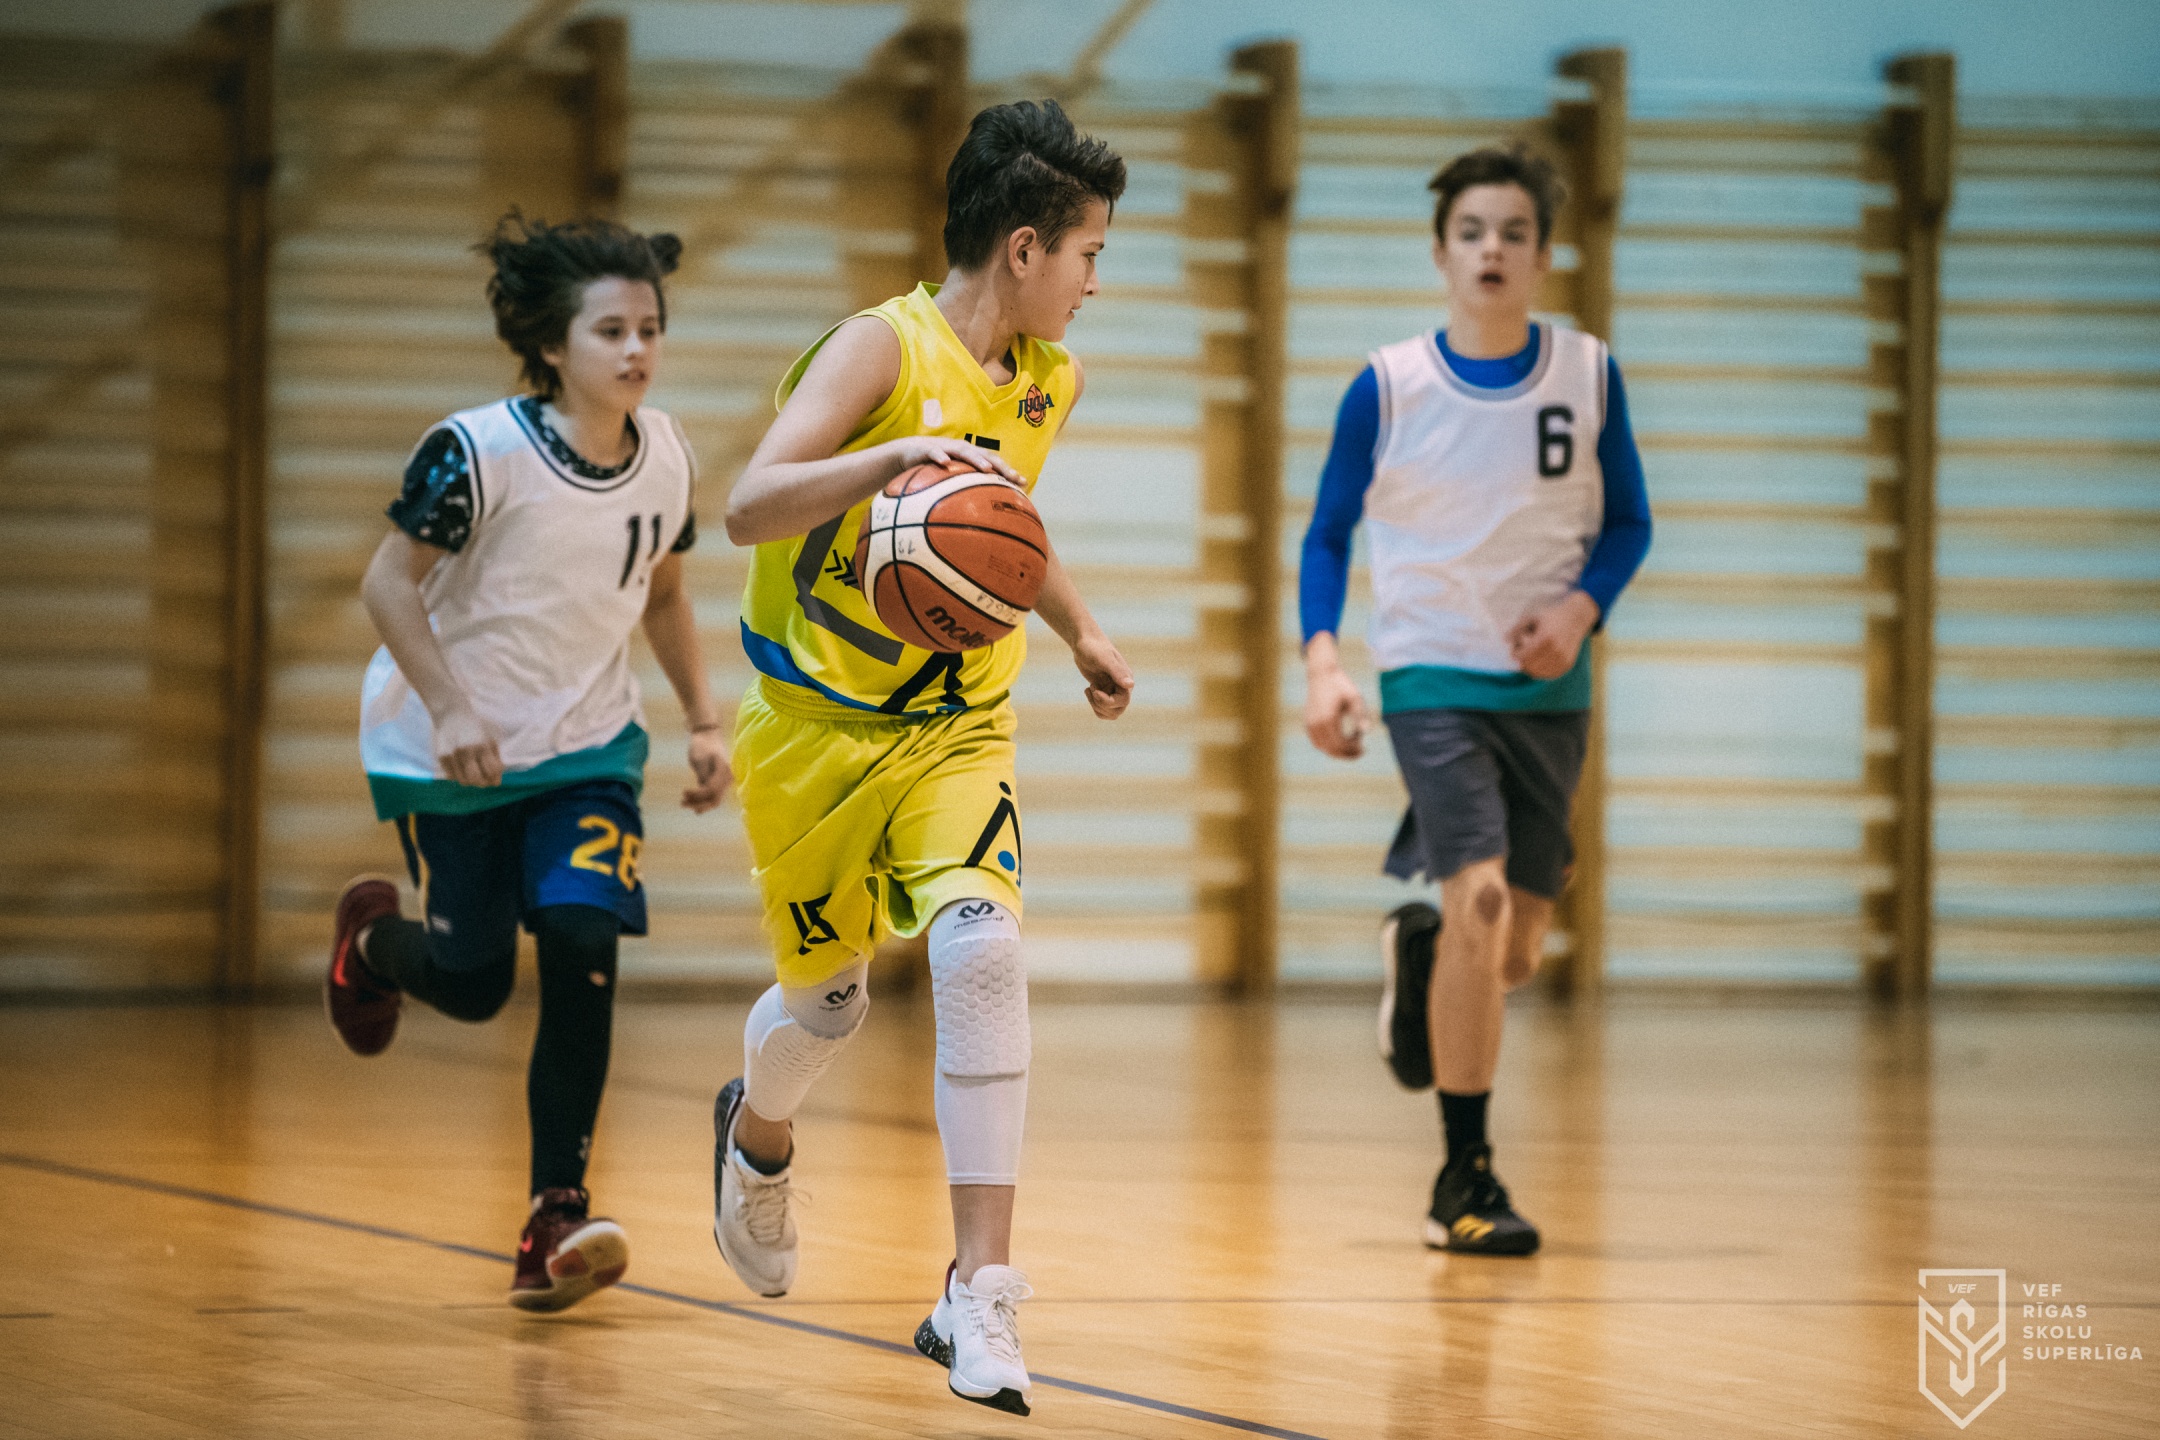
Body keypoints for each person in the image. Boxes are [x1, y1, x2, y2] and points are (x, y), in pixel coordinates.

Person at [708, 99, 1132, 1416]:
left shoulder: (1049, 380)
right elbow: (745, 507)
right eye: (1089, 253)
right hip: (815, 730)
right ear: (1024, 248)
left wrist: (1080, 629)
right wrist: (888, 455)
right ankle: (755, 1137)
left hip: (956, 726)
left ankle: (977, 1296)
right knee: (828, 1010)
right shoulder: (877, 351)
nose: (1095, 280)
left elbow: (1002, 526)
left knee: (983, 952)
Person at [324, 214, 729, 1311]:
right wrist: (451, 706)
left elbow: (665, 593)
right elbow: (387, 583)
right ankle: (372, 945)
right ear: (553, 344)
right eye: (612, 331)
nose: (637, 349)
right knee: (473, 985)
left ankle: (556, 1214)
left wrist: (703, 721)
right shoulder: (476, 452)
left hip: (590, 751)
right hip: (454, 751)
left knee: (585, 944)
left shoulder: (668, 455)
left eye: (650, 328)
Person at [1298, 146, 1652, 1256]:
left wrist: (1581, 610)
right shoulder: (1388, 385)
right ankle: (1465, 1176)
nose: (1492, 248)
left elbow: (1631, 523)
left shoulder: (1588, 375)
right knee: (1484, 902)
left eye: (1513, 232)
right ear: (1440, 253)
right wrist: (1323, 663)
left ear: (1543, 256)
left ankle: (1421, 963)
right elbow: (1326, 534)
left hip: (1550, 688)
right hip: (1431, 676)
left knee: (1514, 953)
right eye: (1472, 232)